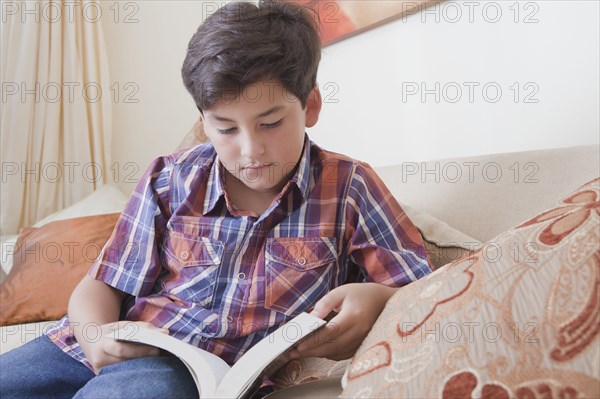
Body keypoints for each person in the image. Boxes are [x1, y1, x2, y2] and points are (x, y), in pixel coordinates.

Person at [0, 1, 432, 398]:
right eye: (225, 128)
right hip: (87, 343)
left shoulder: (349, 187)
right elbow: (102, 284)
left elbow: (420, 287)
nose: (250, 150)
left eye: (271, 123)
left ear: (311, 106)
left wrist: (375, 297)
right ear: (203, 123)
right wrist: (93, 335)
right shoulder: (169, 179)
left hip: (178, 372)